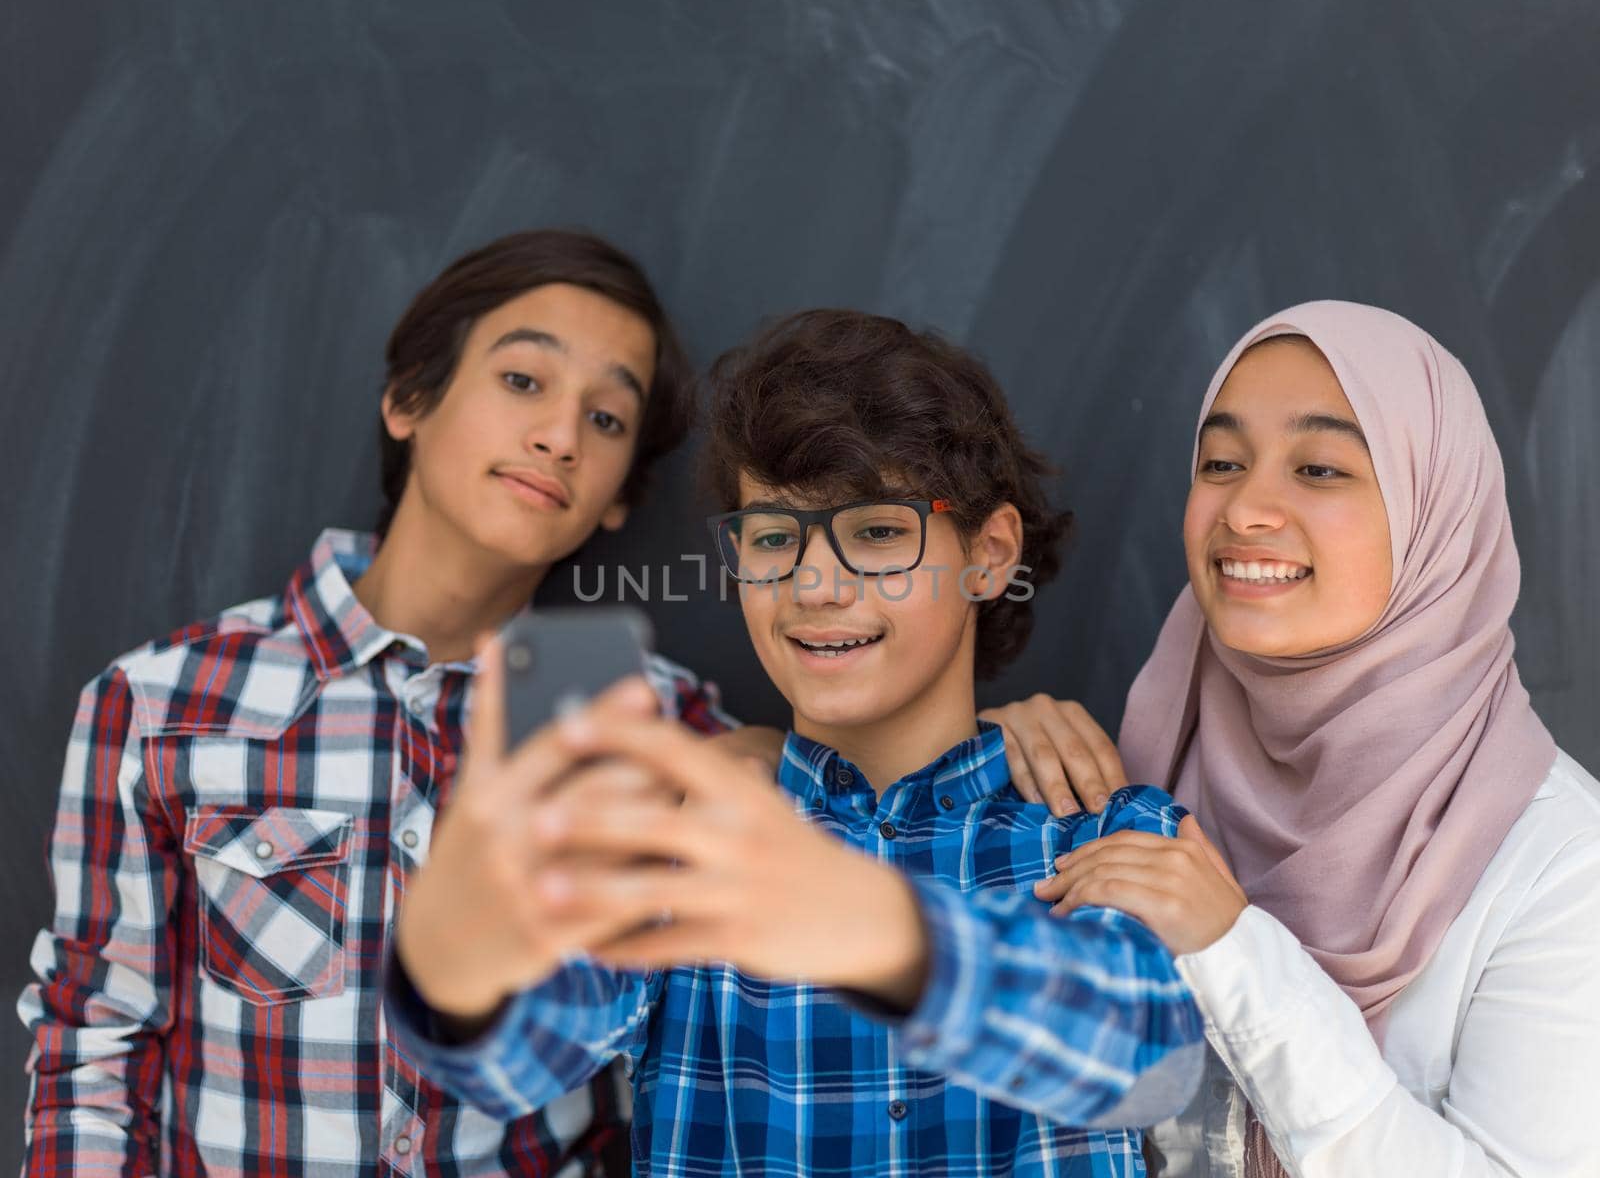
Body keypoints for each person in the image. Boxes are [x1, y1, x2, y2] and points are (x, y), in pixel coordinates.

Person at [388, 307, 1208, 1176]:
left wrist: (887, 932)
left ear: (990, 552)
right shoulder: (682, 839)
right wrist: (458, 968)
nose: (814, 585)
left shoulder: (1103, 830)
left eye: (878, 532)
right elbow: (515, 1061)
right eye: (775, 538)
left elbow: (1154, 1058)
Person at [17, 229, 751, 1176]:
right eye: (524, 381)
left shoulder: (647, 720)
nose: (560, 436)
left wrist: (777, 753)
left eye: (607, 419)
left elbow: (860, 810)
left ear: (617, 498)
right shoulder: (161, 706)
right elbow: (94, 1042)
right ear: (410, 400)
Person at [1003, 301, 1600, 1175]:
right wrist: (965, 754)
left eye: (1319, 468)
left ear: (1436, 515)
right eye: (1221, 462)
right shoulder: (1131, 776)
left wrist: (1233, 949)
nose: (1245, 509)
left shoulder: (1558, 866)